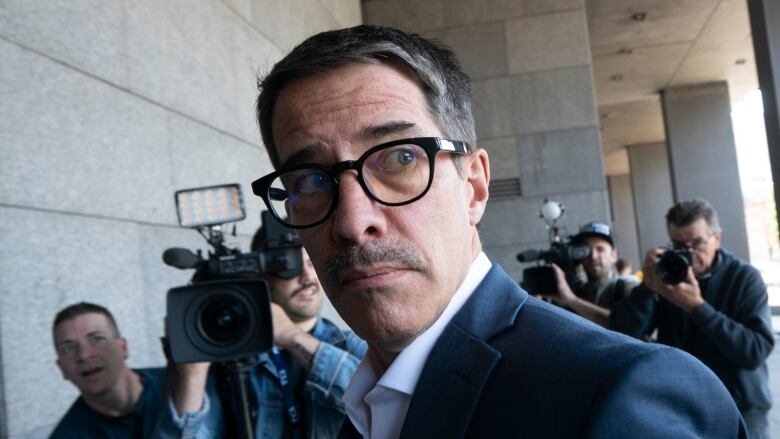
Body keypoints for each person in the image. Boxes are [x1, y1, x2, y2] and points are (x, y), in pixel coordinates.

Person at [249, 25, 746, 437]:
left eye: (400, 157)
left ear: (474, 187)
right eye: (309, 181)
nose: (353, 223)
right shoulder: (362, 406)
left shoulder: (619, 393)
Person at [156, 222, 367, 438]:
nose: (307, 277)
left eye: (311, 261)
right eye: (288, 266)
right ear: (260, 276)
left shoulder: (357, 344)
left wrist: (291, 337)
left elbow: (380, 403)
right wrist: (192, 373)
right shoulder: (228, 360)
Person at [611, 198, 774, 438]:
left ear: (716, 239)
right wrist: (648, 288)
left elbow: (754, 352)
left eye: (697, 243)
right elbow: (624, 331)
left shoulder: (745, 279)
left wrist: (697, 307)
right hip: (684, 409)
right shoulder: (667, 278)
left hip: (741, 413)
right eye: (678, 245)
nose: (689, 254)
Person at [50, 302, 165, 438]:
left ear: (123, 347)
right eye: (68, 348)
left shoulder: (183, 385)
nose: (84, 355)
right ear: (61, 368)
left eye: (96, 339)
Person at [545, 221, 638, 327]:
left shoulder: (628, 288)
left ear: (614, 255)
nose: (593, 256)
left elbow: (629, 326)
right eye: (586, 250)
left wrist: (573, 301)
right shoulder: (574, 292)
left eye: (600, 249)